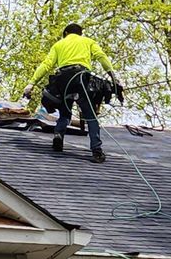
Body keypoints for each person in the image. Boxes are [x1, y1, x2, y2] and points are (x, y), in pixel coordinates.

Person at [29, 23, 116, 163]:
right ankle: (96, 149)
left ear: (66, 33)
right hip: (82, 79)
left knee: (65, 111)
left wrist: (31, 83)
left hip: (63, 80)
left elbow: (46, 64)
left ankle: (58, 134)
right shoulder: (88, 42)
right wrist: (113, 77)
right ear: (80, 33)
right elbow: (101, 56)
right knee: (90, 116)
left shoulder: (59, 45)